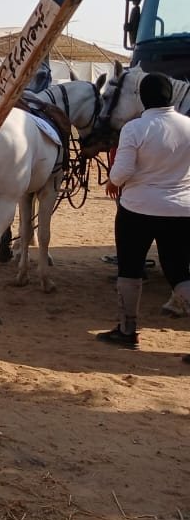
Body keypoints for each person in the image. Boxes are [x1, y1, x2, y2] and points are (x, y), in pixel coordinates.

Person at [96, 72, 190, 349]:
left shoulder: (135, 129)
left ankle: (127, 331)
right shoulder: (188, 125)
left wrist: (113, 182)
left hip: (137, 210)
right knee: (178, 271)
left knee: (131, 267)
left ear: (142, 98)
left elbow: (122, 171)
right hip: (182, 211)